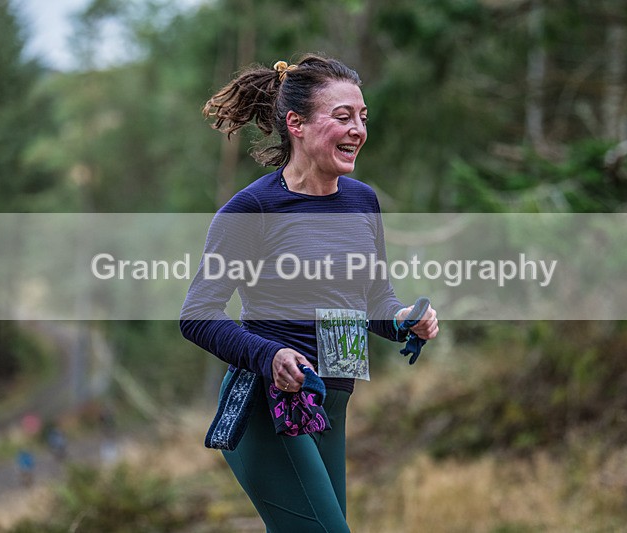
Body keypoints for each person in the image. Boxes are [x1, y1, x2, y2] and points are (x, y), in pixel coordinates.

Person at [180, 54, 438, 532]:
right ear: (296, 124)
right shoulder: (254, 208)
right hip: (272, 404)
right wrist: (271, 355)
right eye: (343, 117)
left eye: (363, 117)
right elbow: (197, 313)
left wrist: (405, 317)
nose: (358, 129)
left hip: (333, 401)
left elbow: (374, 299)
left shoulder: (363, 201)